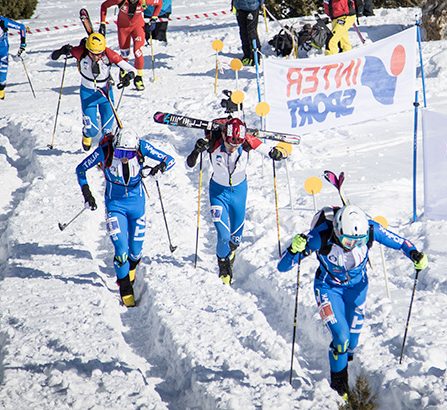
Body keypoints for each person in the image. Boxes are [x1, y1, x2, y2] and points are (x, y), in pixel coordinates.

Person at [277, 205, 428, 400]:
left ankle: (343, 362)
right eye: (348, 240)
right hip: (328, 288)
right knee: (341, 338)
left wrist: (414, 254)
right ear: (338, 230)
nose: (352, 245)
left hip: (357, 289)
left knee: (352, 343)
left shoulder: (370, 230)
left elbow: (400, 242)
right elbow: (282, 267)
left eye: (359, 241)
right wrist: (292, 249)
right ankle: (339, 388)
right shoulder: (319, 237)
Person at [75, 129, 175, 307]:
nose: (124, 158)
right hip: (115, 207)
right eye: (120, 153)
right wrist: (86, 193)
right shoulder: (105, 151)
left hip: (137, 207)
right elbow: (80, 169)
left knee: (135, 253)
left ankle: (130, 270)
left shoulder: (142, 147)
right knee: (121, 252)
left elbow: (170, 159)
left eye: (128, 154)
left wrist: (159, 168)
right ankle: (125, 288)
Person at [186, 117, 287, 285]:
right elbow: (190, 164)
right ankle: (224, 267)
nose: (233, 148)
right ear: (224, 137)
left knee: (236, 239)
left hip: (239, 192)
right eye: (230, 144)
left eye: (237, 145)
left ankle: (230, 251)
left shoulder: (247, 142)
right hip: (218, 192)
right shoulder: (213, 143)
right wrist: (197, 150)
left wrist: (276, 153)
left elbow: (268, 150)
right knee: (223, 235)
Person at [51, 33, 137, 151]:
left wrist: (129, 77)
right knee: (92, 130)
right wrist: (62, 51)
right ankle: (86, 135)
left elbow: (132, 69)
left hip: (105, 95)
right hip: (88, 95)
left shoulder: (109, 54)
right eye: (93, 53)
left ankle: (106, 156)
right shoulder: (81, 52)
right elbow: (54, 56)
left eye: (99, 54)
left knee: (107, 132)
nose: (96, 57)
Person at [100, 0, 162, 91]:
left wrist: (154, 18)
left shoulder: (144, 1)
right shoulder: (120, 0)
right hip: (123, 28)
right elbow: (104, 6)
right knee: (125, 54)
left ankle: (139, 77)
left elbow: (159, 3)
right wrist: (102, 23)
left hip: (138, 27)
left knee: (138, 52)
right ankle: (123, 69)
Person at [0, 15, 26, 100]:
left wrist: (23, 44)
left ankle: (1, 92)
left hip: (2, 50)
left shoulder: (3, 21)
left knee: (2, 72)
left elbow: (22, 27)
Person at [233, 0, 263, 66]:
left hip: (252, 7)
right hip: (239, 7)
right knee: (243, 32)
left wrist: (261, 3)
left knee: (251, 32)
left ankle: (256, 55)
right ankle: (247, 54)